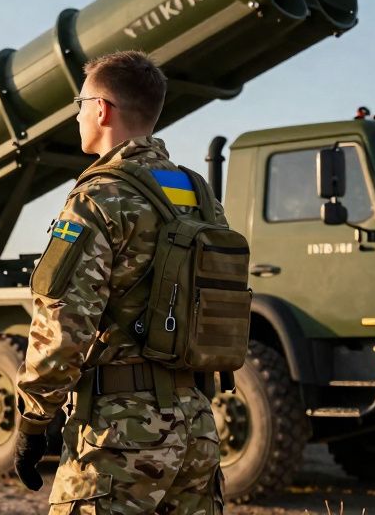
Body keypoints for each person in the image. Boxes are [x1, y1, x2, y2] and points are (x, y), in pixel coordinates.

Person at [13, 50, 223, 514]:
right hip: (197, 430)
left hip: (121, 437)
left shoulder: (98, 196)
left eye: (80, 104)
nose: (78, 115)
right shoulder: (199, 195)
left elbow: (64, 324)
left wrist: (34, 420)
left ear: (102, 110)